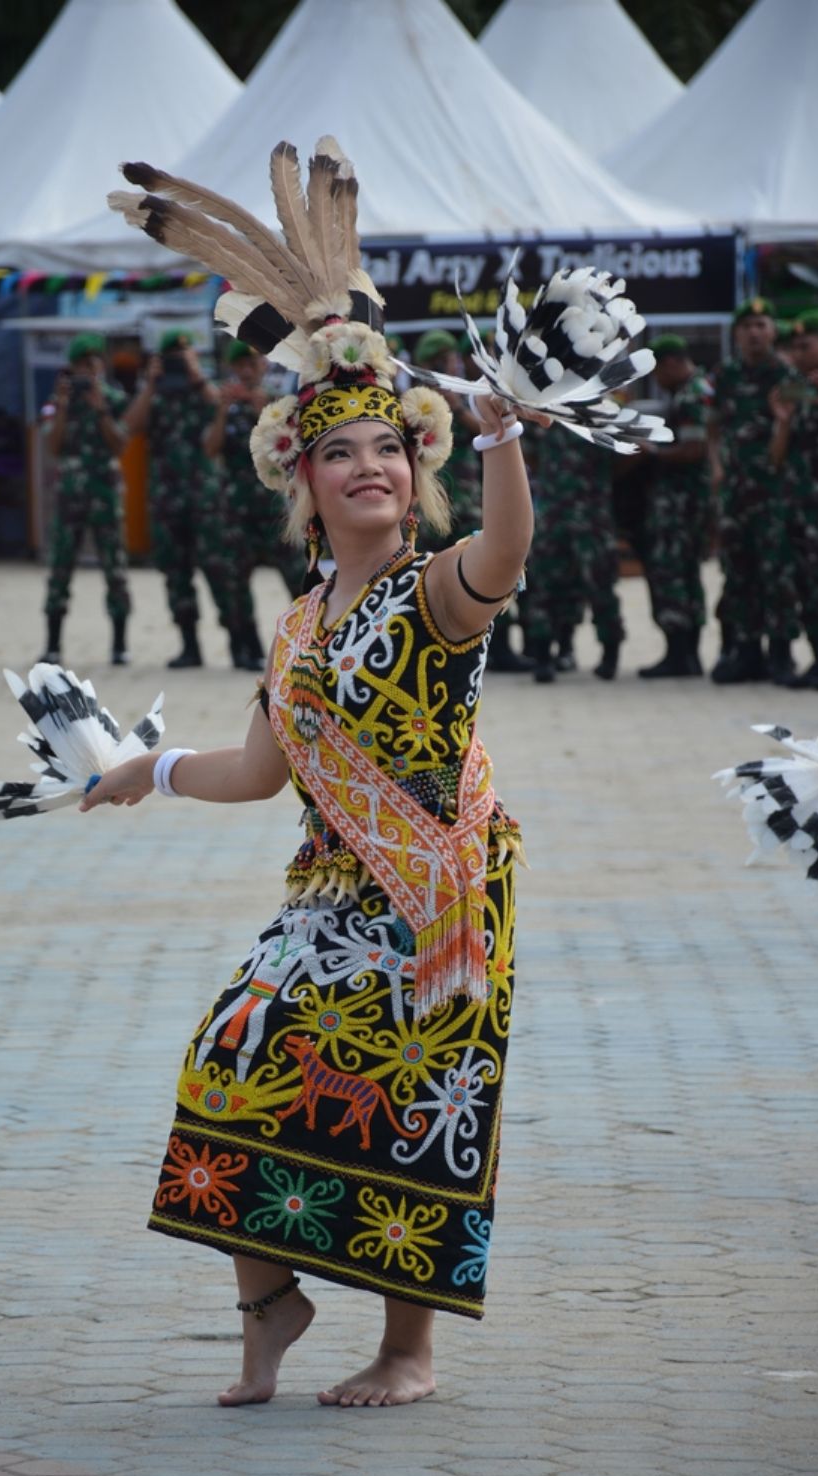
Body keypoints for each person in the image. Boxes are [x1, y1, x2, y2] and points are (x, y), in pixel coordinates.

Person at [84, 139, 550, 1408]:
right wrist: (150, 769)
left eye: (391, 450)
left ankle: (408, 1349)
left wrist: (502, 441)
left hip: (441, 893)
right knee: (226, 1061)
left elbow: (505, 551)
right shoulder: (299, 621)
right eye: (341, 451)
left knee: (416, 1102)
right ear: (301, 474)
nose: (371, 467)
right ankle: (271, 1304)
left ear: (419, 470)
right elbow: (256, 768)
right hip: (331, 890)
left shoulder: (432, 591)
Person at [124, 330, 258, 671]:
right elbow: (131, 426)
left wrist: (197, 376)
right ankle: (189, 646)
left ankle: (239, 645)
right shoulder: (154, 394)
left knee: (220, 572)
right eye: (172, 358)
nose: (176, 366)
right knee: (175, 573)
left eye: (182, 357)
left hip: (206, 497)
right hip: (166, 498)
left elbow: (222, 406)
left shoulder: (204, 389)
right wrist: (151, 383)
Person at [415, 329, 533, 674]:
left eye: (447, 359)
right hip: (432, 508)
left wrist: (455, 405)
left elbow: (484, 429)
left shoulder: (468, 397)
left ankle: (502, 648)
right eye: (436, 362)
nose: (445, 366)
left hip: (469, 503)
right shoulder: (417, 404)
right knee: (429, 580)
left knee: (488, 574)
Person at [709, 299, 799, 684]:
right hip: (735, 493)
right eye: (746, 326)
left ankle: (781, 654)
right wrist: (715, 467)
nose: (754, 332)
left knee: (777, 573)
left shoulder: (786, 375)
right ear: (736, 335)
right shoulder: (726, 374)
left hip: (776, 494)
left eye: (761, 324)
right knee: (738, 572)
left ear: (772, 331)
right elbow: (713, 427)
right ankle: (745, 652)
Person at [202, 340, 302, 663]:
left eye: (252, 364)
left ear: (263, 366)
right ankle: (245, 647)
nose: (246, 372)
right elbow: (210, 449)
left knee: (297, 573)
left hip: (272, 505)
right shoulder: (224, 402)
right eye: (240, 366)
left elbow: (291, 447)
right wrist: (221, 410)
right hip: (234, 507)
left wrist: (263, 410)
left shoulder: (277, 402)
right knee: (235, 581)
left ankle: (307, 639)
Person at [43, 333, 132, 666]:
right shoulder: (58, 401)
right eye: (82, 364)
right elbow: (52, 446)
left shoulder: (112, 398)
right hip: (70, 497)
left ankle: (120, 645)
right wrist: (64, 407)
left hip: (105, 495)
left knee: (115, 568)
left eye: (93, 363)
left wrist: (101, 411)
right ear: (72, 368)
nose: (88, 370)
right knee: (60, 567)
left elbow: (120, 445)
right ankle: (52, 644)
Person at [634, 336, 713, 678]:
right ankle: (687, 655)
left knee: (672, 573)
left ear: (670, 364)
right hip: (689, 503)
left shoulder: (690, 395)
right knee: (686, 573)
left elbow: (695, 449)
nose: (658, 382)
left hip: (681, 505)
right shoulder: (695, 390)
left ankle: (680, 654)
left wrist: (652, 453)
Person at [524, 420, 624, 683]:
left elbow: (623, 458)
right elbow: (530, 454)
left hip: (592, 515)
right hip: (553, 514)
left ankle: (610, 654)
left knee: (601, 586)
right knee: (545, 586)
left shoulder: (601, 414)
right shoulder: (546, 410)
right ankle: (544, 656)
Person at [769, 308, 818, 689]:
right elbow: (776, 458)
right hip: (803, 508)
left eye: (805, 345)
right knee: (809, 585)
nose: (798, 353)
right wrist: (783, 420)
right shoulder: (798, 390)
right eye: (794, 347)